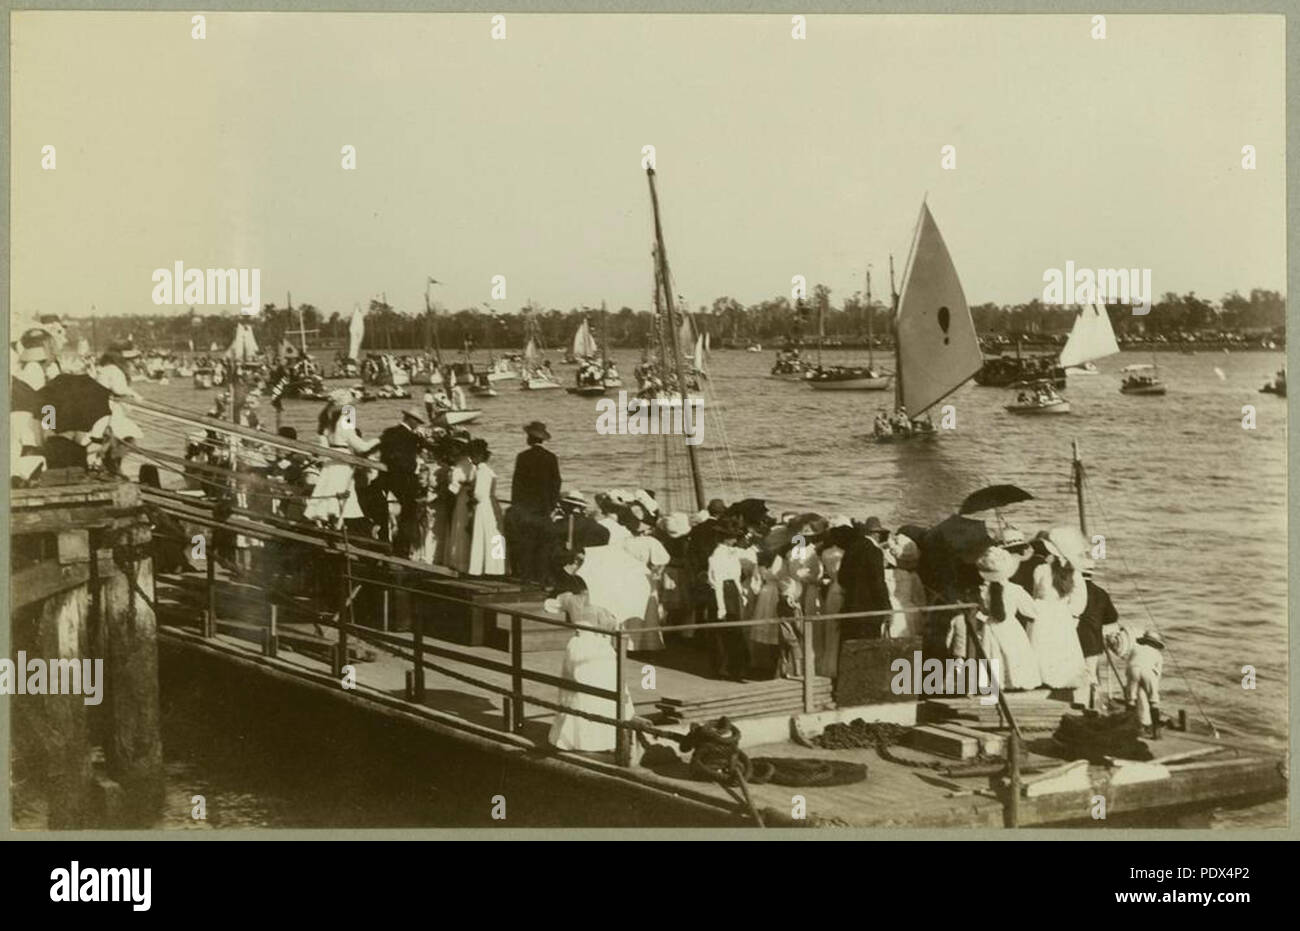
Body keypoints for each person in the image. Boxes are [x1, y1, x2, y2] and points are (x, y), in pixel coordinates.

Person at [546, 581, 636, 753]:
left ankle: (572, 737)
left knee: (576, 690)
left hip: (577, 645)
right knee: (603, 688)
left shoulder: (569, 599)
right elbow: (609, 627)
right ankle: (602, 738)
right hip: (598, 648)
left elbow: (549, 606)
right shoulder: (604, 603)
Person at [968, 546, 1042, 692]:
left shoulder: (982, 591)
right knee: (1014, 653)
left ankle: (994, 685)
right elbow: (1032, 611)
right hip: (1010, 626)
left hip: (990, 627)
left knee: (992, 655)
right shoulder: (1015, 589)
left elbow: (981, 611)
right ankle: (1015, 682)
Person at [305, 396, 379, 527]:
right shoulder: (345, 424)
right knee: (341, 501)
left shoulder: (328, 424)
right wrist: (379, 440)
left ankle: (329, 527)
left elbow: (324, 445)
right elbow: (362, 447)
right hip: (342, 464)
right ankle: (337, 529)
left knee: (329, 498)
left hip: (331, 463)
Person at [1029, 539, 1089, 698]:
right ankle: (1061, 682)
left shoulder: (1041, 569)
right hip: (1062, 614)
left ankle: (1043, 680)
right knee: (1061, 649)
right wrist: (1068, 613)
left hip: (1042, 612)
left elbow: (1035, 593)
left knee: (1042, 647)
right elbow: (1080, 601)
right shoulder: (1074, 573)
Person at [505, 421, 561, 582]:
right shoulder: (551, 458)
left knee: (526, 545)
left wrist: (516, 506)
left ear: (530, 438)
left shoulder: (522, 457)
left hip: (525, 510)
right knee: (543, 545)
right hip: (543, 510)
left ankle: (526, 577)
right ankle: (541, 579)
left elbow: (517, 484)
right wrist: (551, 506)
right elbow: (556, 483)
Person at [377, 408, 434, 557]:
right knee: (409, 513)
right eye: (417, 422)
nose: (417, 425)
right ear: (411, 420)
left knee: (389, 512)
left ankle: (388, 543)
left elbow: (384, 455)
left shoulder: (389, 432)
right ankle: (402, 548)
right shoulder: (410, 436)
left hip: (387, 477)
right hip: (404, 479)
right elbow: (407, 461)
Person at [704, 518, 750, 681]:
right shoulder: (717, 555)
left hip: (731, 591)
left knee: (733, 630)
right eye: (732, 537)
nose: (735, 540)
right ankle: (724, 668)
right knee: (724, 630)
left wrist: (740, 594)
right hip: (722, 592)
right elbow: (718, 582)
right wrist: (721, 606)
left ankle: (734, 667)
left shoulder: (732, 552)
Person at [1105, 626, 1165, 737]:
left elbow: (1129, 663)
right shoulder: (1158, 654)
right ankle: (1156, 730)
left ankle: (1132, 726)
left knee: (1131, 700)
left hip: (1133, 669)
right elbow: (1158, 674)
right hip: (1149, 672)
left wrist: (1129, 683)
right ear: (1156, 644)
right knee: (1153, 701)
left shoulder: (1136, 648)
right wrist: (1152, 689)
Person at [838, 517, 892, 641]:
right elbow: (879, 582)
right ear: (876, 534)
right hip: (870, 608)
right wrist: (886, 606)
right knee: (868, 643)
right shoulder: (875, 551)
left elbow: (842, 578)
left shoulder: (851, 548)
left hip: (850, 604)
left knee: (850, 644)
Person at [1076, 573, 1119, 708]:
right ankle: (1092, 704)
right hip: (1093, 638)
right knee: (1090, 672)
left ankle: (1082, 701)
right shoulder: (1101, 592)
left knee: (1075, 671)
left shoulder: (1072, 589)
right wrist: (1098, 620)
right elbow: (1112, 616)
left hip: (1073, 637)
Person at [466, 438, 505, 576]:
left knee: (483, 535)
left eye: (473, 455)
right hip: (492, 504)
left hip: (484, 507)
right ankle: (496, 568)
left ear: (480, 456)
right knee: (494, 535)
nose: (471, 458)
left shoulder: (481, 471)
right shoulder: (488, 470)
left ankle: (482, 568)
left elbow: (479, 494)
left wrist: (470, 496)